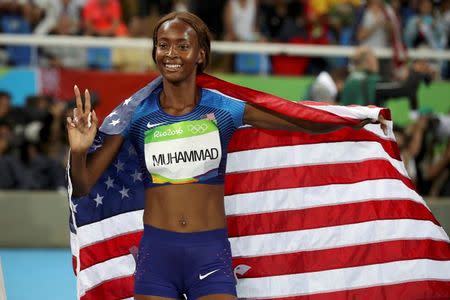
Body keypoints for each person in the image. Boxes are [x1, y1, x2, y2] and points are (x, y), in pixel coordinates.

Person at [67, 11, 386, 299]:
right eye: (163, 45)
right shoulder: (137, 116)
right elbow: (83, 184)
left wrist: (345, 117)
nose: (171, 54)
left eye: (182, 46)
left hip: (209, 252)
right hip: (157, 256)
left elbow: (296, 119)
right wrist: (78, 151)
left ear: (200, 54)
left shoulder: (224, 109)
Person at [340, 46, 434, 110]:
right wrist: (416, 72)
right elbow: (406, 89)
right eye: (375, 59)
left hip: (348, 132)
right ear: (369, 61)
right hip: (365, 133)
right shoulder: (370, 82)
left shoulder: (349, 80)